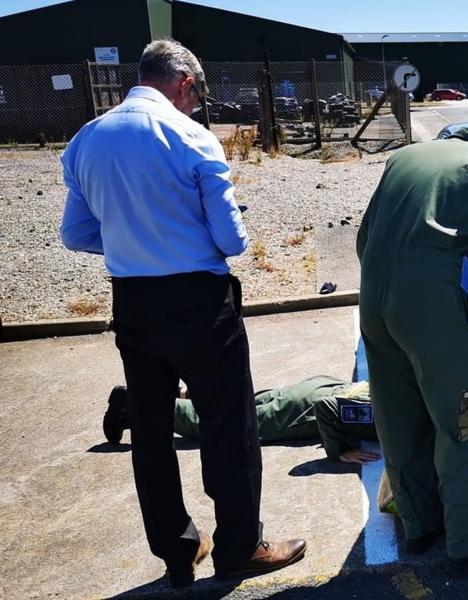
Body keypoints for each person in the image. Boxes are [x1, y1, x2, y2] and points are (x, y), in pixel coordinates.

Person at [59, 39, 305, 588]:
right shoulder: (191, 136)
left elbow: (75, 233)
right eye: (198, 95)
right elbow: (231, 239)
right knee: (228, 425)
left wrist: (133, 242)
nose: (197, 105)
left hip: (134, 301)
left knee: (150, 430)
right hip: (198, 301)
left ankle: (177, 551)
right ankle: (241, 546)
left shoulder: (85, 140)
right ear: (186, 83)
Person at [357, 116, 468, 578]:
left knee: (398, 417)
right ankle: (467, 547)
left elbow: (364, 239)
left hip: (373, 302)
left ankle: (418, 528)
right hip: (428, 310)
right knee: (464, 419)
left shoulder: (405, 157)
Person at [103, 376, 381, 464]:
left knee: (234, 404)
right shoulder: (383, 413)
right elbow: (326, 409)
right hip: (298, 408)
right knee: (219, 424)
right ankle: (134, 404)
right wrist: (340, 451)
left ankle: (172, 394)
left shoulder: (401, 391)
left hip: (315, 386)